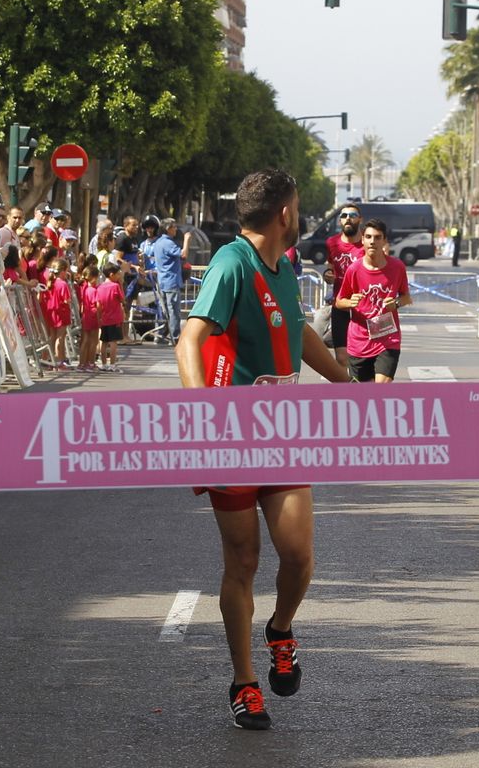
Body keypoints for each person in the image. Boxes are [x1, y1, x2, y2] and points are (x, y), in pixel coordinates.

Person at [175, 169, 351, 731]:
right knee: (243, 562)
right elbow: (190, 340)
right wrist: (202, 413)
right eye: (297, 206)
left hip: (282, 435)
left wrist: (346, 383)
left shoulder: (285, 267)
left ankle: (280, 629)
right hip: (230, 439)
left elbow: (300, 332)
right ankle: (244, 682)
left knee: (297, 555)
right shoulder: (232, 263)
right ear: (285, 213)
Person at [334, 219, 411, 382]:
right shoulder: (354, 269)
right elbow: (339, 301)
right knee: (362, 394)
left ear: (384, 241)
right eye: (368, 237)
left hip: (388, 338)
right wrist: (350, 302)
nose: (372, 241)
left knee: (380, 389)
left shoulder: (397, 267)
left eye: (377, 237)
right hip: (359, 341)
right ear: (362, 240)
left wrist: (396, 303)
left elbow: (406, 297)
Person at [323, 205, 366, 372]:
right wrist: (327, 274)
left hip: (363, 308)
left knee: (363, 357)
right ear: (340, 220)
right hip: (340, 306)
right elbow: (330, 266)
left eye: (352, 215)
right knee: (341, 357)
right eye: (344, 215)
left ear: (360, 219)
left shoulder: (368, 243)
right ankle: (346, 387)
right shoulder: (332, 242)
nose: (348, 218)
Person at [144, 218, 186, 345]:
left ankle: (161, 335)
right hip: (171, 281)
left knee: (164, 310)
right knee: (173, 311)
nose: (176, 229)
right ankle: (175, 337)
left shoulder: (158, 242)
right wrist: (187, 240)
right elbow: (183, 254)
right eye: (174, 227)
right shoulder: (168, 243)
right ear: (168, 229)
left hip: (162, 280)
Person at [96, 262, 125, 371]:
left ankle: (104, 363)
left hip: (104, 318)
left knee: (104, 341)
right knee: (113, 342)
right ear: (112, 274)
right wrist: (121, 284)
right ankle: (112, 364)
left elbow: (98, 304)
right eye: (118, 274)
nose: (119, 276)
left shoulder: (100, 287)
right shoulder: (115, 286)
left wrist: (99, 317)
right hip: (115, 318)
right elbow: (122, 299)